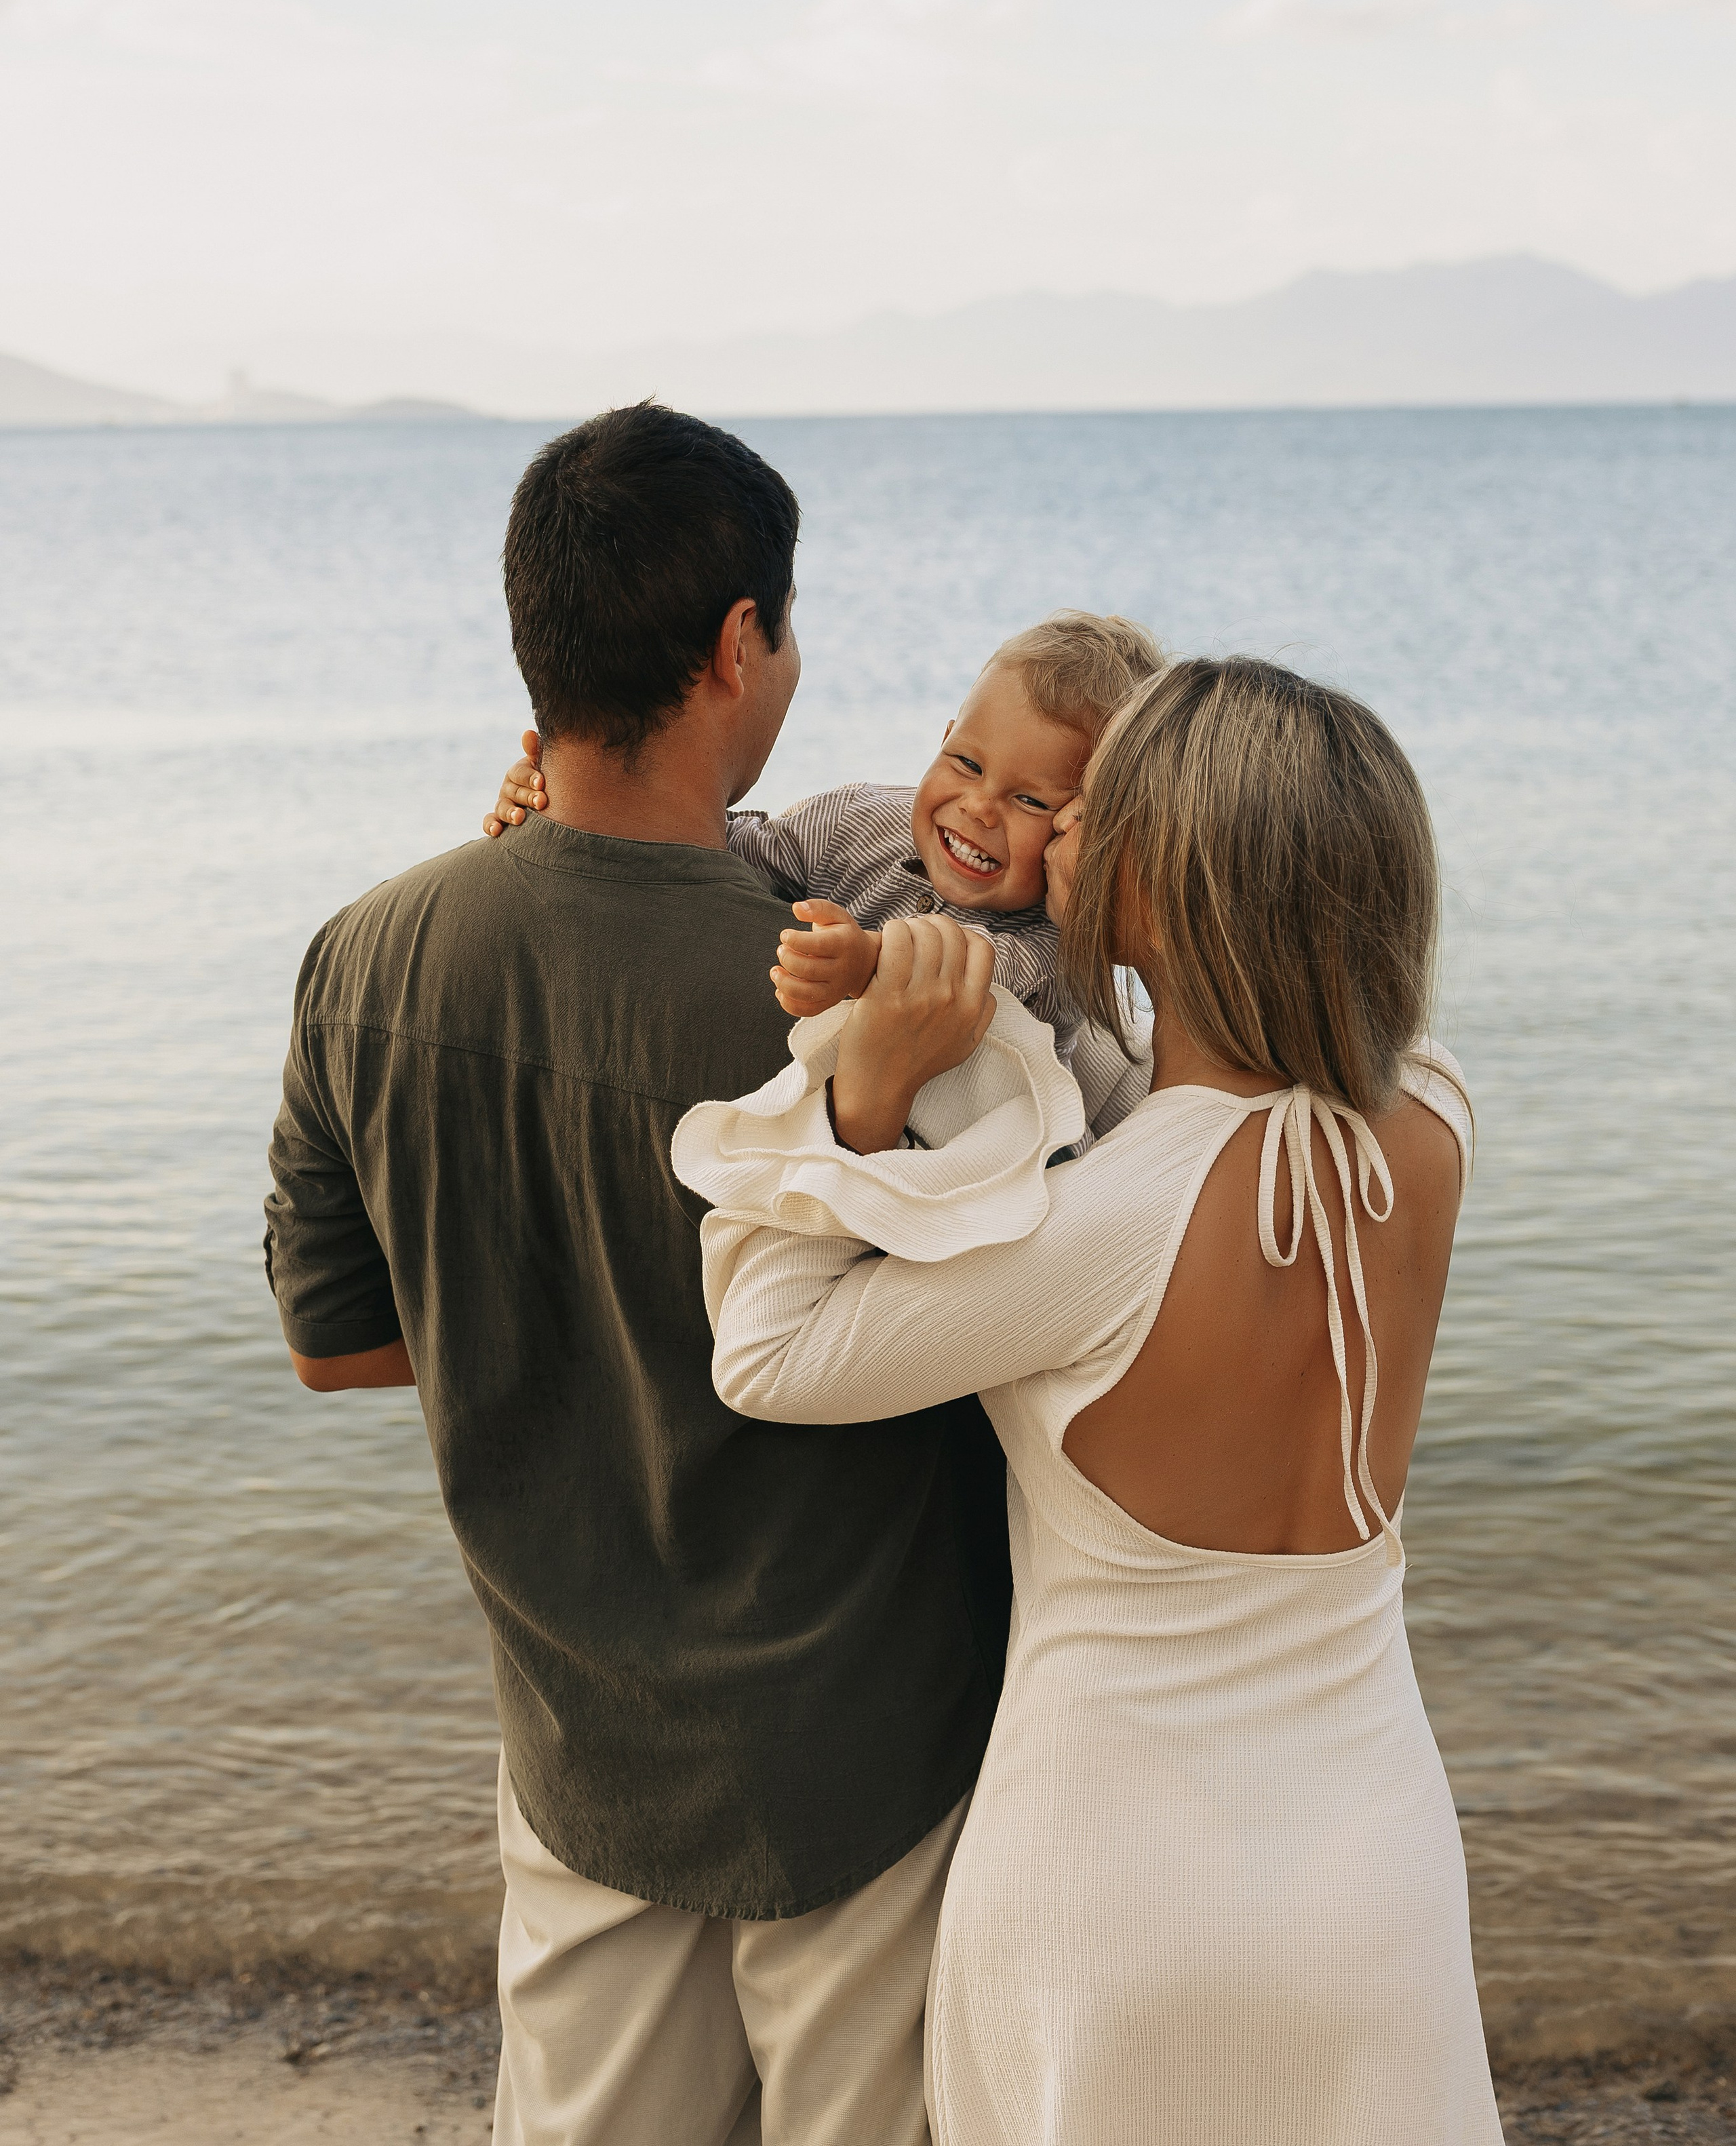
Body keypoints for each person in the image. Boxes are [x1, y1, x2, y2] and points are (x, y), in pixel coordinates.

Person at [262, 402, 1018, 2146]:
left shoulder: (365, 953)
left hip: (577, 1727)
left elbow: (340, 1350)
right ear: (737, 642)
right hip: (864, 1739)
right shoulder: (858, 1004)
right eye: (790, 626)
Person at [674, 657, 1505, 2144]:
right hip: (1371, 1864)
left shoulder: (1100, 1222)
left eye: (1086, 817)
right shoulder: (1429, 1115)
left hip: (1114, 1879)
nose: (1048, 839)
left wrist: (854, 1088)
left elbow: (770, 1351)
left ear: (1154, 889)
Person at [482, 610, 1164, 1048]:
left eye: (1030, 800)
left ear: (1086, 822)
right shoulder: (857, 818)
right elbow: (722, 851)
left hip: (988, 1178)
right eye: (965, 762)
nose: (980, 807)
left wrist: (867, 963)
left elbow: (975, 977)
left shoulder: (1062, 943)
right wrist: (572, 797)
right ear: (945, 734)